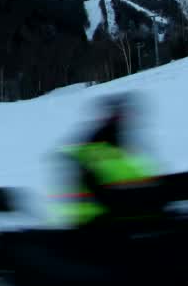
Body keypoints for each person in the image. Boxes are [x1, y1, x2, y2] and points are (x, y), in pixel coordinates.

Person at [53, 93, 164, 230]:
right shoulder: (100, 149)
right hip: (97, 224)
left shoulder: (119, 146)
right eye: (122, 114)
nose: (128, 120)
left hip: (116, 220)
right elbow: (106, 192)